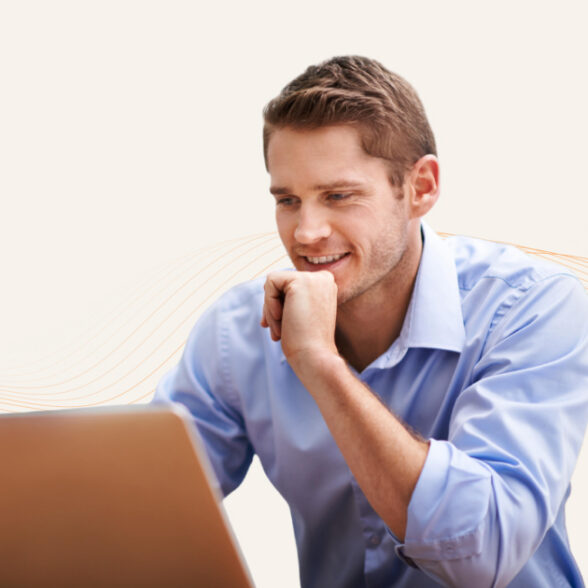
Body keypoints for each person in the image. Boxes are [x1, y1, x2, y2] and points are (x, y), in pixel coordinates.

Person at [153, 56, 588, 587]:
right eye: (288, 200)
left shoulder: (534, 309)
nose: (307, 232)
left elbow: (480, 554)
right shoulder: (236, 333)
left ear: (421, 188)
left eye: (339, 196)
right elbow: (144, 515)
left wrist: (319, 364)